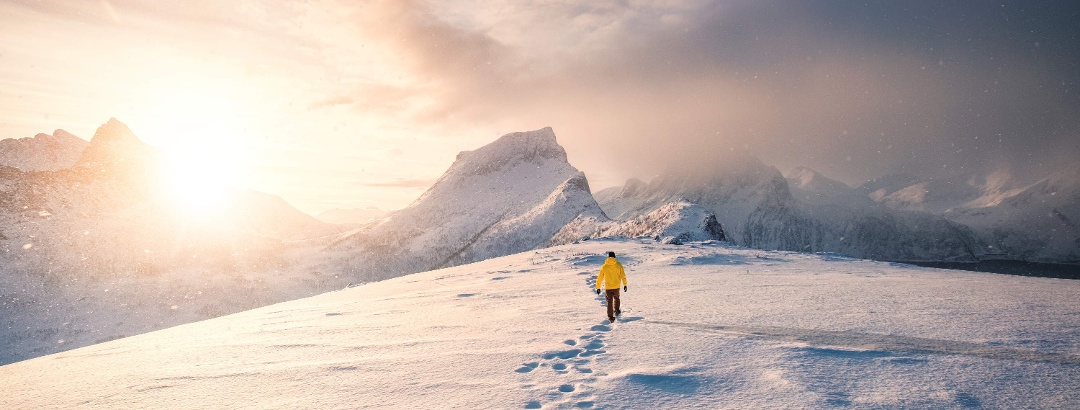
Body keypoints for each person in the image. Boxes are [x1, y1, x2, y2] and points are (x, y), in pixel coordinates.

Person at [595, 251, 628, 322]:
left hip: (608, 288)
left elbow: (600, 277)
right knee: (617, 298)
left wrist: (598, 287)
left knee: (609, 301)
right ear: (614, 257)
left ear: (608, 257)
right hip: (616, 286)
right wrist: (625, 284)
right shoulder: (618, 265)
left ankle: (610, 317)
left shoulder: (604, 266)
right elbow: (623, 275)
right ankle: (617, 310)